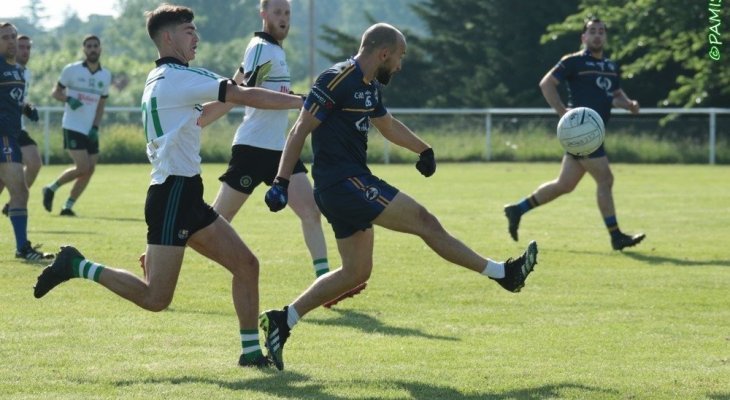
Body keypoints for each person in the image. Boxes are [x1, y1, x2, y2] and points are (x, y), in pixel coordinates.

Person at [33, 4, 303, 368]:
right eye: (189, 30)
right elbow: (247, 95)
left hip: (185, 192)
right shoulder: (177, 77)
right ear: (168, 37)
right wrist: (305, 102)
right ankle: (76, 265)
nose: (196, 37)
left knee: (247, 265)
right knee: (156, 298)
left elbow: (206, 114)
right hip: (172, 194)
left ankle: (251, 353)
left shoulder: (164, 79)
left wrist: (235, 90)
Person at [257, 23, 539, 371]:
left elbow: (387, 125)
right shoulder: (335, 79)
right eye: (400, 57)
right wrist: (281, 181)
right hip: (343, 183)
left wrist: (424, 149)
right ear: (384, 53)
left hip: (348, 184)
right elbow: (299, 128)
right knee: (425, 221)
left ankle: (283, 319)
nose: (400, 66)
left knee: (356, 272)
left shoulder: (369, 86)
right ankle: (503, 274)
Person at [211, 0, 364, 307]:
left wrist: (210, 111)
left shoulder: (274, 50)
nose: (283, 18)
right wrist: (299, 102)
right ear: (263, 14)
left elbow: (238, 82)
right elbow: (247, 95)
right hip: (253, 149)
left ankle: (326, 287)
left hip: (280, 149)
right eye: (277, 12)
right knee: (215, 220)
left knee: (311, 212)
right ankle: (159, 254)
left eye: (287, 13)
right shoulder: (260, 47)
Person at [504, 17, 645, 251]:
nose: (597, 35)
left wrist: (629, 104)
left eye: (601, 31)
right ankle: (616, 236)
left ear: (606, 37)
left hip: (591, 135)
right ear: (583, 37)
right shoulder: (573, 62)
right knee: (605, 179)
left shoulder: (611, 67)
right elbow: (546, 83)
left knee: (564, 185)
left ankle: (517, 209)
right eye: (592, 32)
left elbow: (615, 95)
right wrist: (562, 112)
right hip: (582, 135)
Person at [42, 35, 112, 217]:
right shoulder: (71, 70)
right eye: (89, 46)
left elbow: (101, 105)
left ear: (100, 48)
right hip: (72, 125)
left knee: (90, 169)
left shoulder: (105, 75)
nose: (92, 49)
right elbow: (55, 92)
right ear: (84, 50)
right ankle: (51, 188)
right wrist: (68, 99)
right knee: (82, 167)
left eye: (95, 46)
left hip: (90, 129)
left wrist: (95, 127)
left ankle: (67, 206)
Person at [0, 23, 53, 260]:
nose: (11, 41)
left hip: (11, 136)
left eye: (13, 36)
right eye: (5, 38)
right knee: (20, 192)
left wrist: (25, 108)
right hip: (3, 138)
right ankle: (23, 248)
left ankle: (23, 247)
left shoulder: (18, 71)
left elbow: (13, 101)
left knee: (16, 191)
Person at [1, 34, 42, 216]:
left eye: (28, 47)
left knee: (34, 162)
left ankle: (14, 202)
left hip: (18, 128)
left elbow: (19, 99)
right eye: (21, 46)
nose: (24, 51)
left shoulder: (26, 73)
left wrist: (28, 108)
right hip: (5, 129)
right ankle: (16, 200)